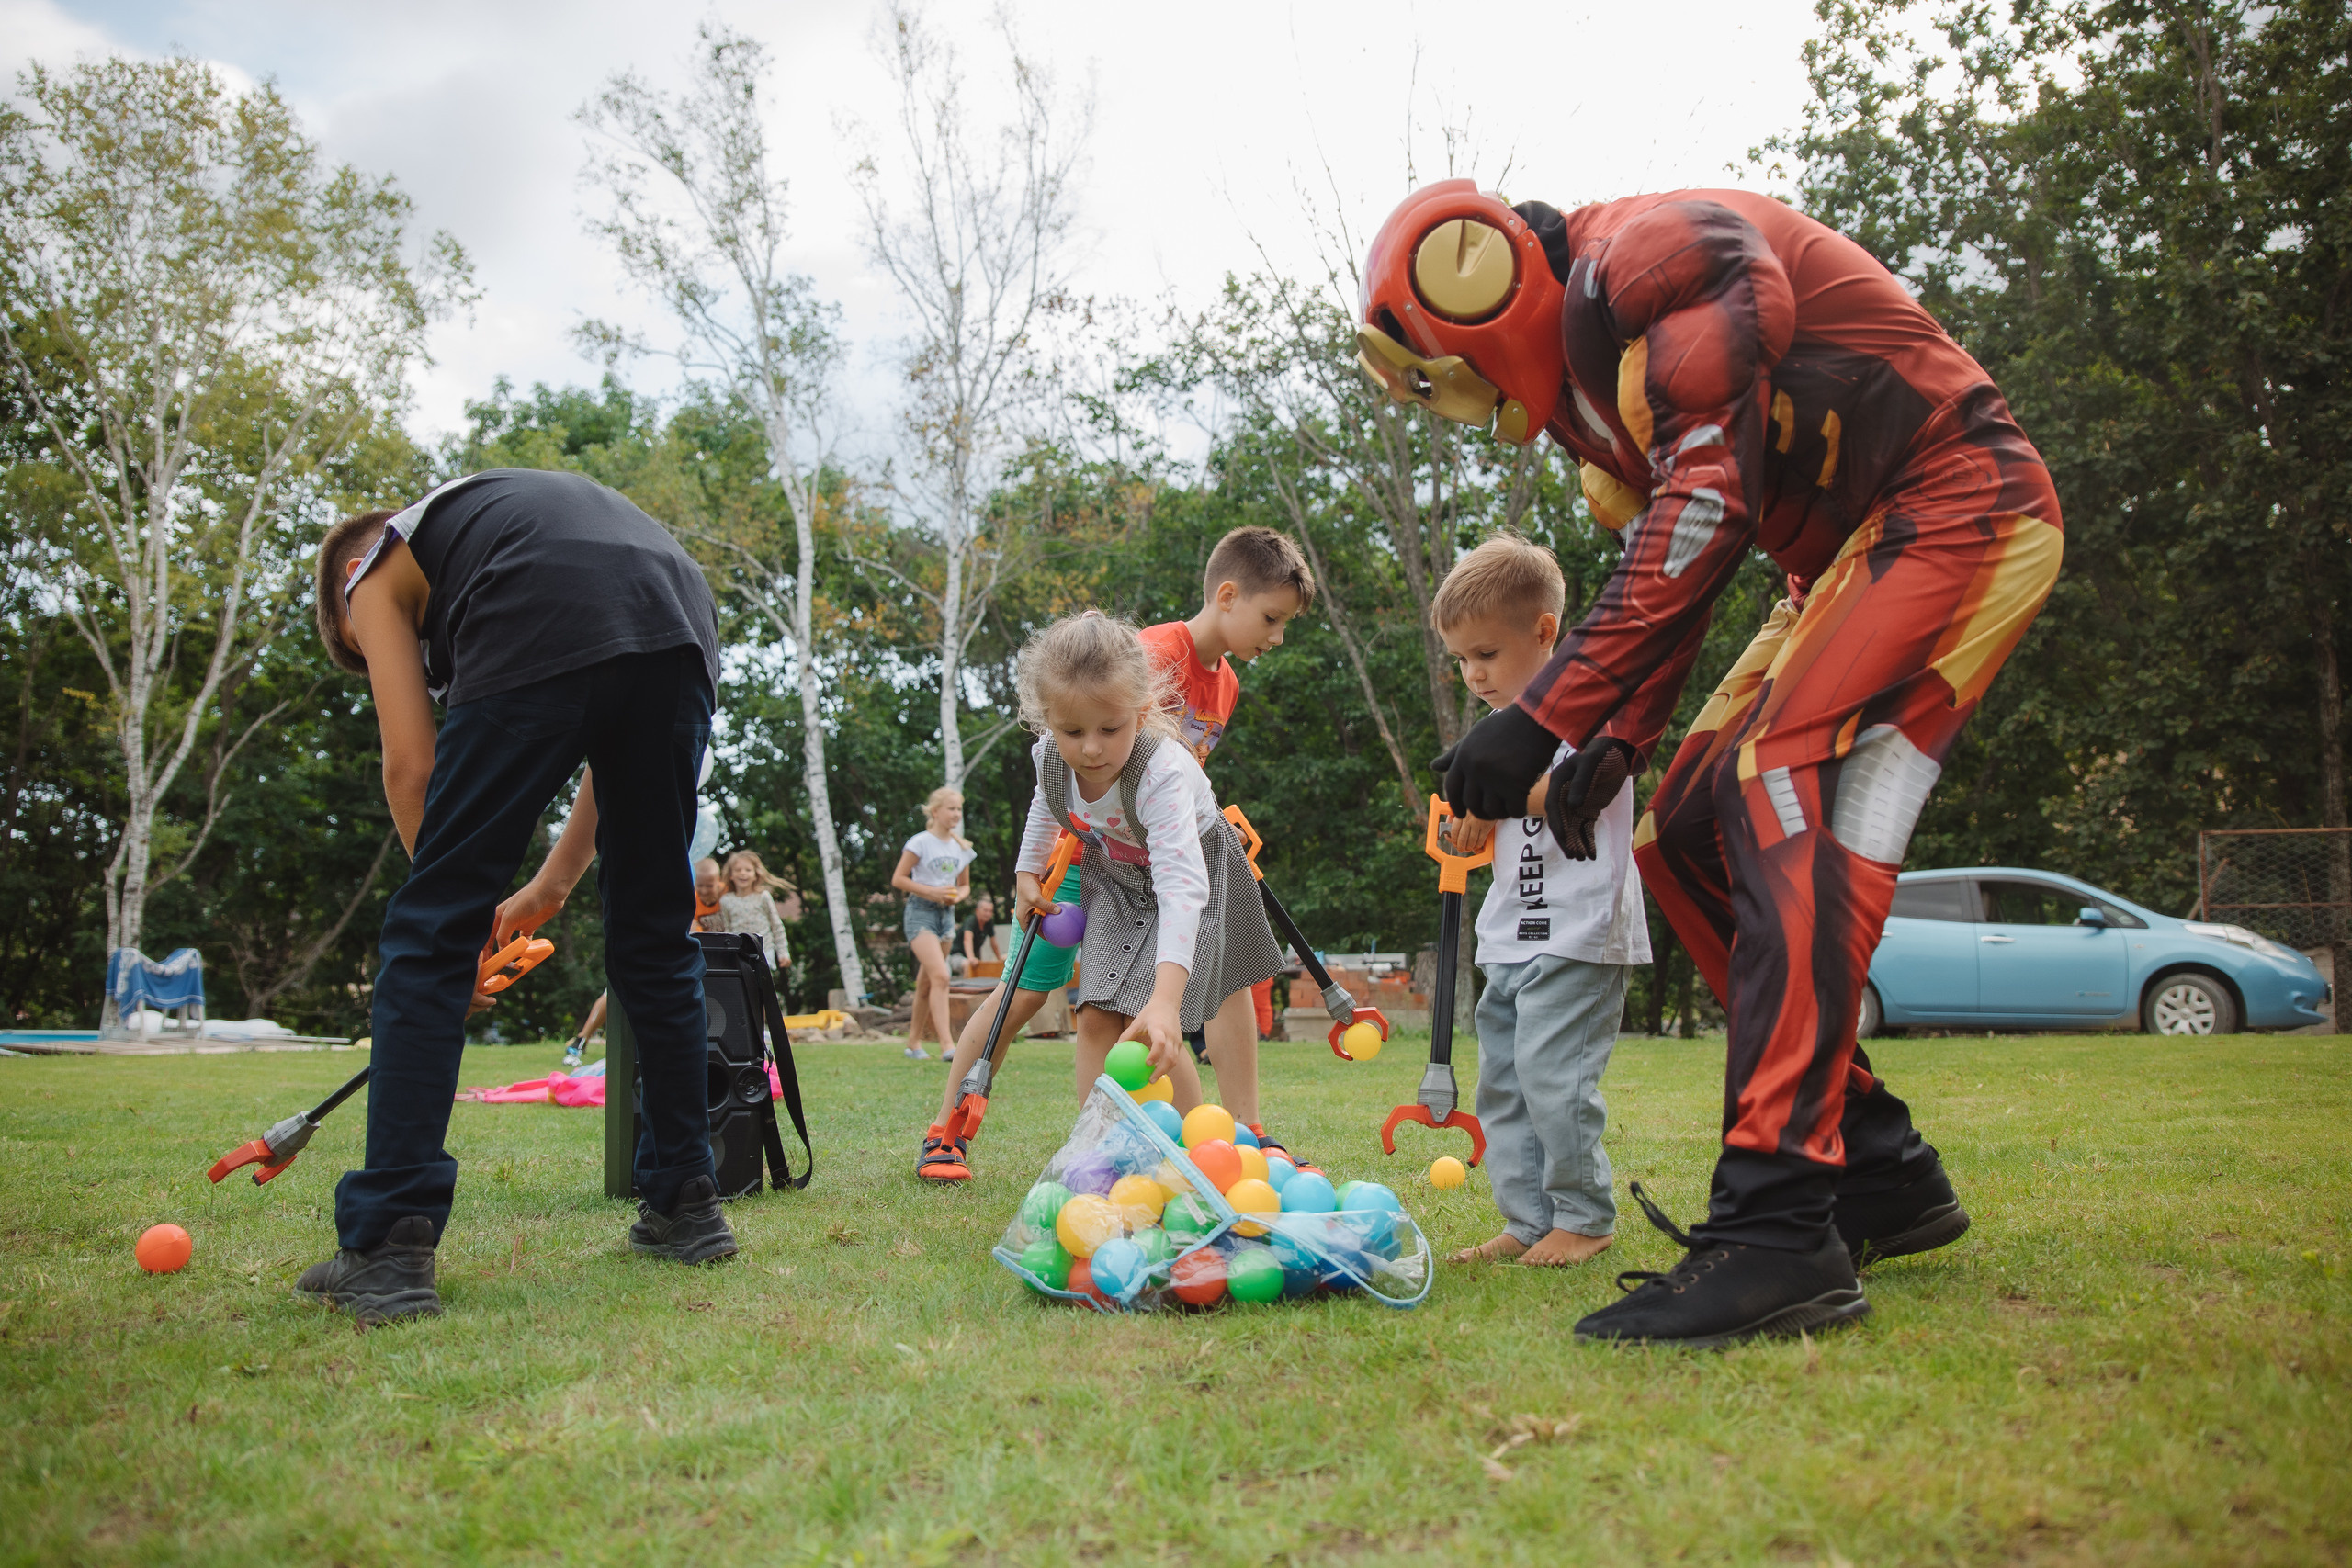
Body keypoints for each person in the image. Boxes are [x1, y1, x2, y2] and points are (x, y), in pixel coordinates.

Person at [1360, 182, 2062, 1346]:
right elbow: (1678, 558)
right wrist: (1612, 739)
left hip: (1954, 499)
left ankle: (1778, 1232)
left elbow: (1704, 506)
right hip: (1841, 559)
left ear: (1469, 282)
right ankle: (1878, 1170)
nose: (1466, 405)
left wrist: (1547, 714)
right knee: (1674, 832)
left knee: (1783, 781)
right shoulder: (1601, 371)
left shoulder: (1651, 261)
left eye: (1444, 373)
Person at [299, 468, 738, 1325]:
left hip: (544, 600)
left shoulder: (372, 569)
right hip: (678, 610)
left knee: (425, 933)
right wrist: (552, 882)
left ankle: (387, 1245)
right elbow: (604, 740)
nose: (415, 678)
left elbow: (411, 766)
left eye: (373, 656)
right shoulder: (484, 526)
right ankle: (687, 1206)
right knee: (655, 937)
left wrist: (453, 925)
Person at [1433, 536, 1650, 1269]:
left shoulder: (1589, 713)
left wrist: (1497, 796)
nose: (1472, 675)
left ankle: (1584, 1216)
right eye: (1461, 660)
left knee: (1556, 1076)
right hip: (1512, 935)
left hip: (1580, 933)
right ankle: (1527, 1219)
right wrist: (1473, 818)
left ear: (1546, 632)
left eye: (1486, 654)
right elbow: (1495, 822)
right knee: (1506, 1082)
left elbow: (1591, 793)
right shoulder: (1500, 734)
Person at [1012, 612, 1285, 1107]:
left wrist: (1164, 1002)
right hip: (1115, 877)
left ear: (1140, 714)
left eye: (1110, 729)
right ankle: (1095, 1144)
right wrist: (1027, 872)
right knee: (1094, 1012)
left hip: (1196, 871)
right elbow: (1046, 801)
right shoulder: (1051, 755)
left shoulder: (1160, 771)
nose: (1091, 748)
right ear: (1047, 721)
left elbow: (1182, 887)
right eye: (1071, 731)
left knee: (1154, 1020)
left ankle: (1196, 1151)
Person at [1136, 525, 1315, 1158]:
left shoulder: (1228, 686)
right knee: (1034, 991)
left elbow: (1187, 771)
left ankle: (1246, 1130)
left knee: (1233, 964)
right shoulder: (1153, 653)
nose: (1276, 637)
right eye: (1271, 618)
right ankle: (953, 1118)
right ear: (1229, 595)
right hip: (1118, 857)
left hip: (1179, 848)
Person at [561, 856, 724, 1067]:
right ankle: (582, 1038)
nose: (704, 890)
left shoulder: (726, 898)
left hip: (711, 959)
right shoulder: (687, 898)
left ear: (719, 883)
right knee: (613, 991)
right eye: (700, 885)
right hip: (668, 955)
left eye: (709, 886)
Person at [891, 787, 973, 1062]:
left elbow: (965, 886)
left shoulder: (961, 847)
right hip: (920, 913)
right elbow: (899, 879)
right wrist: (931, 892)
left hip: (945, 915)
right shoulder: (920, 842)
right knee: (941, 976)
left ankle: (913, 1043)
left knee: (926, 983)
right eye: (951, 808)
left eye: (959, 809)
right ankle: (948, 1045)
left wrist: (955, 898)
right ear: (935, 811)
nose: (956, 814)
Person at [709, 850, 794, 973]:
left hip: (764, 950)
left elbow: (776, 925)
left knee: (763, 986)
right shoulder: (726, 901)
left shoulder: (763, 896)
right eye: (738, 870)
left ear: (755, 875)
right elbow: (728, 928)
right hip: (740, 952)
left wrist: (783, 953)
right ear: (731, 875)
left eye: (748, 870)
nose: (743, 873)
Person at [955, 894, 1001, 976]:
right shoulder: (970, 921)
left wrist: (999, 959)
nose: (988, 914)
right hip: (956, 955)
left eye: (990, 911)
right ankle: (967, 988)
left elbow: (994, 944)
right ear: (977, 911)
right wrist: (971, 958)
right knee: (968, 965)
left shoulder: (989, 923)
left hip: (971, 957)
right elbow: (967, 940)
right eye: (985, 910)